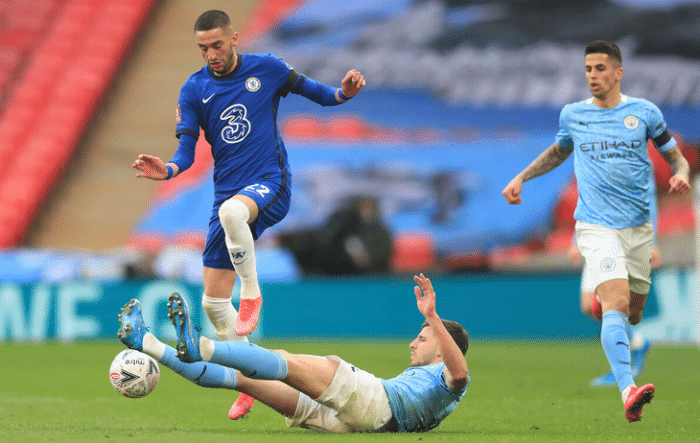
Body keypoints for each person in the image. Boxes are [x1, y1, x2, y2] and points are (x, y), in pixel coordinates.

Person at [132, 10, 366, 418]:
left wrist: (344, 93)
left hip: (270, 183)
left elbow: (320, 94)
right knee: (212, 303)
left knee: (231, 214)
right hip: (228, 195)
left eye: (217, 45)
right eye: (203, 48)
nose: (211, 54)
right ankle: (248, 382)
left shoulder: (268, 69)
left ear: (234, 38)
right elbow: (186, 151)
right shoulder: (194, 89)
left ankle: (252, 294)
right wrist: (167, 170)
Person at [502, 40, 691, 423]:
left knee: (632, 312)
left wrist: (681, 174)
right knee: (614, 304)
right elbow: (557, 152)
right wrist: (521, 177)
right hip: (595, 226)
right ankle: (627, 390)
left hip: (638, 229)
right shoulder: (574, 115)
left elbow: (675, 156)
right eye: (588, 69)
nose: (593, 75)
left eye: (600, 68)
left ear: (618, 73)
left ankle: (628, 333)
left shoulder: (644, 113)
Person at [117, 273, 470, 433]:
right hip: (361, 424)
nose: (413, 343)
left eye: (422, 339)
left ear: (444, 349)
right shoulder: (432, 388)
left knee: (286, 361)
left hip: (375, 404)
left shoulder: (451, 380)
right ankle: (147, 343)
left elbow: (460, 374)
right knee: (243, 380)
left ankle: (203, 346)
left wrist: (432, 318)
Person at [568, 166, 660, 387]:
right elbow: (588, 198)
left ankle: (623, 371)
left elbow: (648, 199)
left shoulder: (634, 157)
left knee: (611, 303)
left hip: (625, 237)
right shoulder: (593, 156)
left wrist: (652, 241)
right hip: (595, 234)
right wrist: (576, 238)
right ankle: (636, 342)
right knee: (589, 305)